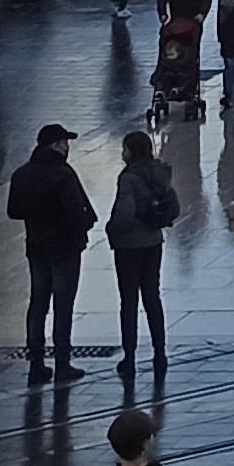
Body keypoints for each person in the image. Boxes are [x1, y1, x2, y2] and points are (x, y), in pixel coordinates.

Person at [9, 124, 96, 387]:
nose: (68, 147)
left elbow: (14, 211)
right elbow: (78, 215)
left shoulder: (22, 173)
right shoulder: (63, 175)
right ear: (56, 145)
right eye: (65, 143)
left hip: (37, 247)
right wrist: (84, 223)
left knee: (38, 303)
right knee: (63, 305)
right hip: (65, 248)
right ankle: (62, 363)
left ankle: (36, 363)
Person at [103, 130, 179, 393]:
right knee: (152, 297)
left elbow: (125, 214)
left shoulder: (129, 178)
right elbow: (174, 206)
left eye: (124, 148)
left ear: (132, 151)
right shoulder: (159, 173)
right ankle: (160, 353)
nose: (122, 153)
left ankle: (130, 358)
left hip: (129, 246)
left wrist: (111, 230)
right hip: (153, 242)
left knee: (129, 301)